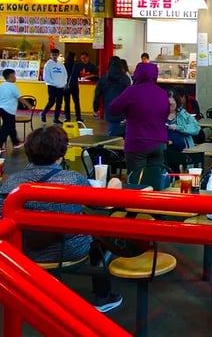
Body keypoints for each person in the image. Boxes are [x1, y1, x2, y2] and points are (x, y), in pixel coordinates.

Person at [0, 126, 123, 313]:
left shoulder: (11, 182)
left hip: (22, 252)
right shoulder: (72, 179)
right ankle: (103, 296)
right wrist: (115, 184)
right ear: (60, 154)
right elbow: (101, 204)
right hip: (68, 250)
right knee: (99, 237)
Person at [110, 62, 170, 172]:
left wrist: (127, 111)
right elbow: (166, 113)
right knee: (155, 179)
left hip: (137, 143)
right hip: (159, 142)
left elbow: (113, 109)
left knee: (136, 181)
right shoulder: (162, 93)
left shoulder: (132, 91)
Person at [93, 56, 131, 136]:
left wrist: (96, 105)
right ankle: (112, 140)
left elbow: (97, 92)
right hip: (122, 106)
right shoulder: (125, 78)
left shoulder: (104, 77)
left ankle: (110, 139)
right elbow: (129, 94)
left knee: (113, 124)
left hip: (108, 104)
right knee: (117, 126)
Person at [0, 68, 31, 150]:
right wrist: (28, 105)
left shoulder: (2, 86)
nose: (15, 77)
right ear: (10, 76)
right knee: (6, 128)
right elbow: (20, 98)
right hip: (8, 110)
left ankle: (15, 142)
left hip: (2, 109)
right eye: (14, 75)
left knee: (11, 127)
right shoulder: (13, 86)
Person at [40, 48, 67, 125]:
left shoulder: (61, 64)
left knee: (59, 103)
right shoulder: (48, 64)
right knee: (51, 102)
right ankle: (43, 113)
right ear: (50, 55)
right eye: (53, 55)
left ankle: (56, 118)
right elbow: (46, 77)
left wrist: (63, 83)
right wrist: (54, 83)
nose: (55, 56)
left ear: (58, 55)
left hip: (60, 86)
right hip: (52, 86)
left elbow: (65, 74)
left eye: (56, 55)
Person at [63, 52, 83, 122]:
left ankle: (67, 117)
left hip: (66, 86)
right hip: (74, 85)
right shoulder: (76, 65)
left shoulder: (64, 65)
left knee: (67, 102)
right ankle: (78, 117)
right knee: (76, 101)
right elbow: (78, 75)